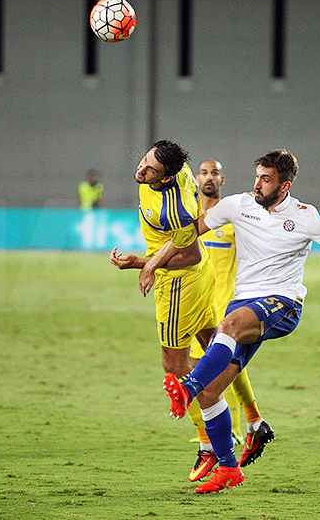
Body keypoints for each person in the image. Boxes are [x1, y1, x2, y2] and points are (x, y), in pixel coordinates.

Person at [148, 149, 320, 493]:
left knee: (228, 326)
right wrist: (148, 262)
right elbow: (189, 233)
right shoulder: (239, 205)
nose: (258, 185)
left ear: (285, 185)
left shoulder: (306, 217)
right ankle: (229, 468)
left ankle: (186, 388)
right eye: (257, 177)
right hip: (245, 302)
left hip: (283, 303)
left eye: (266, 179)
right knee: (211, 392)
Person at [109, 140, 219, 480]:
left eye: (151, 170)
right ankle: (244, 418)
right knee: (217, 350)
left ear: (168, 176)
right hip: (200, 281)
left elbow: (190, 254)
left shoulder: (178, 209)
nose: (141, 170)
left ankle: (209, 446)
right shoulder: (177, 170)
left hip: (179, 285)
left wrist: (143, 264)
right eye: (144, 161)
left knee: (176, 371)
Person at [186, 159, 274, 482]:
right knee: (217, 371)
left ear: (223, 178)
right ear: (197, 179)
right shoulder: (193, 219)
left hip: (226, 307)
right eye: (204, 172)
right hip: (196, 304)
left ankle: (209, 445)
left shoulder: (234, 216)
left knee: (201, 376)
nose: (209, 178)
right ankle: (249, 423)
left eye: (215, 173)